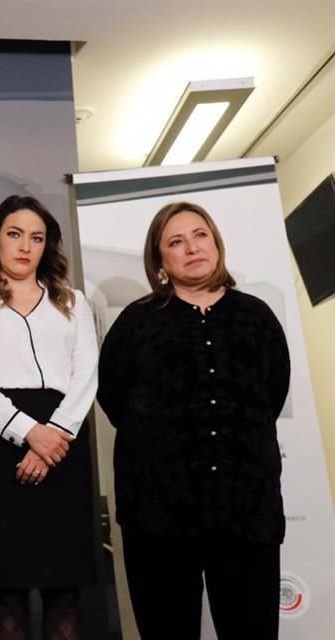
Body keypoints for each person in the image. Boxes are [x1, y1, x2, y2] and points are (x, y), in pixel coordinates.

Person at [97, 201, 290, 639]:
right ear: (159, 261)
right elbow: (114, 399)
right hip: (158, 516)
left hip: (247, 511)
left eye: (200, 235)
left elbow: (271, 394)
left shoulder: (256, 316)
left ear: (216, 243)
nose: (192, 247)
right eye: (176, 242)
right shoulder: (135, 324)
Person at [0, 195, 98, 640]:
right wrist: (29, 432)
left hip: (65, 444)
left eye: (36, 237)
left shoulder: (73, 302)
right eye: (15, 234)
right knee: (7, 590)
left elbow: (87, 373)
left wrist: (55, 435)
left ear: (47, 246)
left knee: (64, 587)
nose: (25, 246)